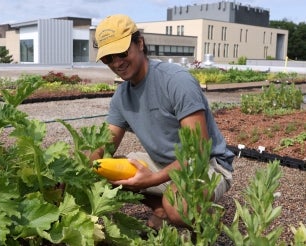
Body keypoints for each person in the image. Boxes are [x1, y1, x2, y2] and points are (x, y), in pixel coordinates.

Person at [92, 14, 235, 230]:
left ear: (140, 43)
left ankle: (203, 224)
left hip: (208, 164)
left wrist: (152, 179)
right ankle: (161, 209)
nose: (117, 63)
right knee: (102, 169)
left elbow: (198, 152)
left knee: (178, 205)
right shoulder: (122, 95)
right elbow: (103, 146)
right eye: (108, 58)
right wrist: (73, 171)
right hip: (163, 162)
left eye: (122, 53)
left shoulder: (176, 80)